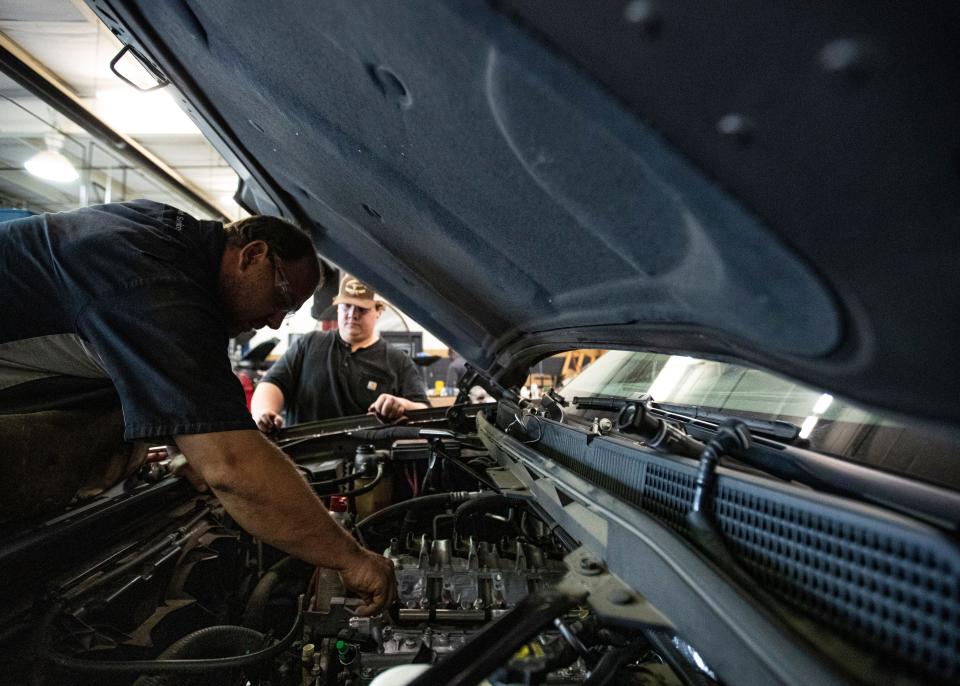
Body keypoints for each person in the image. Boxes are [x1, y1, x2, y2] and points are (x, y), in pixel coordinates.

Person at [0, 200, 394, 616]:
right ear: (252, 255)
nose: (276, 323)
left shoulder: (173, 243)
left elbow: (167, 388)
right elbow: (231, 466)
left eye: (289, 312)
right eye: (280, 298)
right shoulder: (156, 284)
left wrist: (184, 446)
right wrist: (352, 559)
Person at [251, 275, 429, 432]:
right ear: (337, 308)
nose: (353, 315)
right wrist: (264, 412)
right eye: (347, 307)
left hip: (370, 462)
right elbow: (273, 382)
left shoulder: (397, 361)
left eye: (362, 309)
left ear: (378, 311)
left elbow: (423, 409)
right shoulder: (308, 344)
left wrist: (402, 404)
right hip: (304, 457)